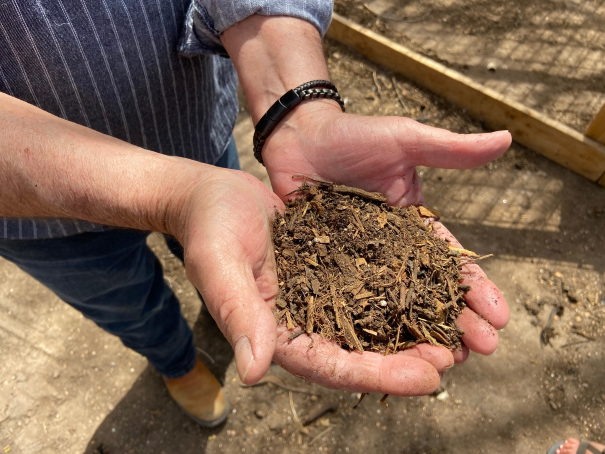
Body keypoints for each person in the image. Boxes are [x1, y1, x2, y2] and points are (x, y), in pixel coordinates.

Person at [0, 0, 511, 427]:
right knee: (127, 304)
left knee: (221, 258)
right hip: (41, 215)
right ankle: (176, 364)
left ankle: (214, 304)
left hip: (195, 138)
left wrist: (298, 108)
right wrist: (174, 196)